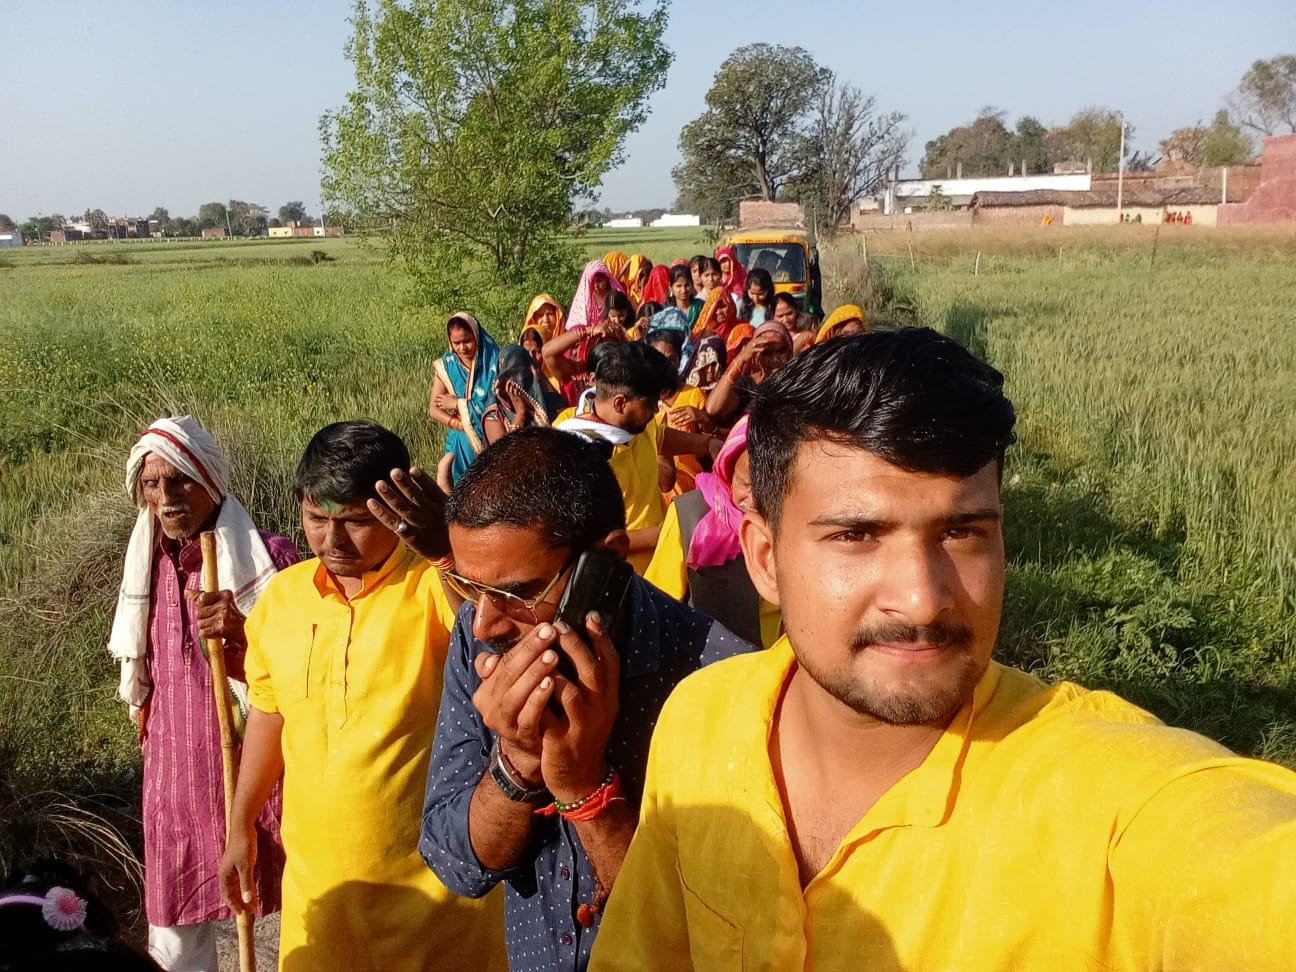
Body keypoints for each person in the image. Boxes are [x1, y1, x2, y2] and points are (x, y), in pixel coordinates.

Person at [592, 329, 1296, 970]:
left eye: (962, 533)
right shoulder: (700, 719)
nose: (923, 599)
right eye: (857, 536)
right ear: (765, 558)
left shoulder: (1106, 800)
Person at [418, 427, 753, 972]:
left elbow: (706, 936)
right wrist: (517, 763)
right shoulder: (478, 638)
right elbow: (455, 864)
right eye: (471, 589)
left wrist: (584, 790)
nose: (484, 622)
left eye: (516, 593)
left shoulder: (720, 679)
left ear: (607, 562)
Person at [218, 421, 505, 972]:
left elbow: (493, 625)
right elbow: (270, 715)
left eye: (355, 520)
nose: (333, 540)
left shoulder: (434, 588)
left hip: (435, 906)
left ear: (396, 510)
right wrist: (240, 826)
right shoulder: (282, 600)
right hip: (321, 899)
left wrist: (446, 551)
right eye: (316, 518)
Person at [105, 416, 295, 972]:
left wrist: (245, 631)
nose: (166, 497)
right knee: (174, 933)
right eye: (152, 484)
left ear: (210, 480)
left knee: (294, 908)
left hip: (257, 774)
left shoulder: (272, 560)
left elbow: (304, 669)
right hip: (174, 775)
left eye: (180, 480)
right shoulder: (148, 566)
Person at [555, 342, 720, 574]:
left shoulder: (636, 423)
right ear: (620, 403)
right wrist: (663, 534)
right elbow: (586, 541)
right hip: (621, 579)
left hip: (662, 566)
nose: (656, 410)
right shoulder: (577, 453)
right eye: (650, 404)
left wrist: (706, 444)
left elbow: (660, 437)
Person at [644, 416, 781, 648]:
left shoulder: (799, 520)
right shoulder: (690, 514)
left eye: (770, 485)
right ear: (727, 472)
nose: (756, 499)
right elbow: (657, 603)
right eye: (747, 484)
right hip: (715, 663)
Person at [429, 313, 501, 490]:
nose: (462, 348)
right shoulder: (447, 366)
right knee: (459, 490)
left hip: (492, 435)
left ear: (477, 336)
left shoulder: (495, 362)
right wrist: (460, 424)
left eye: (467, 341)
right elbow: (434, 409)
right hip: (460, 440)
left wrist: (457, 404)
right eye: (456, 343)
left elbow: (499, 404)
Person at [648, 329, 712, 499]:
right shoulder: (642, 400)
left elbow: (709, 448)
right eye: (659, 359)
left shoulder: (694, 395)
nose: (665, 365)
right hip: (655, 492)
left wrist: (704, 420)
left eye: (671, 359)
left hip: (690, 489)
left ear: (678, 359)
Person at [704, 319, 793, 424]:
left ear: (790, 352)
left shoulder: (799, 380)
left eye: (781, 351)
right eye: (766, 353)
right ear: (756, 357)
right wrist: (740, 359)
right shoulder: (747, 386)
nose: (775, 359)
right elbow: (712, 409)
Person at [483, 344, 566, 444]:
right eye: (509, 376)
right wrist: (520, 414)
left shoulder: (547, 401)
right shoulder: (494, 415)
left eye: (521, 375)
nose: (516, 382)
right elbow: (505, 451)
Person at [542, 318, 627, 409]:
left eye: (610, 345)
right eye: (574, 346)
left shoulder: (626, 371)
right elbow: (547, 352)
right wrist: (588, 331)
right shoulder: (577, 373)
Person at [567, 259, 625, 332]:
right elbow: (577, 325)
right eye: (592, 282)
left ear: (607, 279)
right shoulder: (585, 299)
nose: (596, 286)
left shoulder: (615, 297)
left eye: (599, 281)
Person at [714, 245, 747, 311]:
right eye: (723, 261)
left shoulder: (740, 277)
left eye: (729, 260)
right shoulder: (714, 279)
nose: (727, 264)